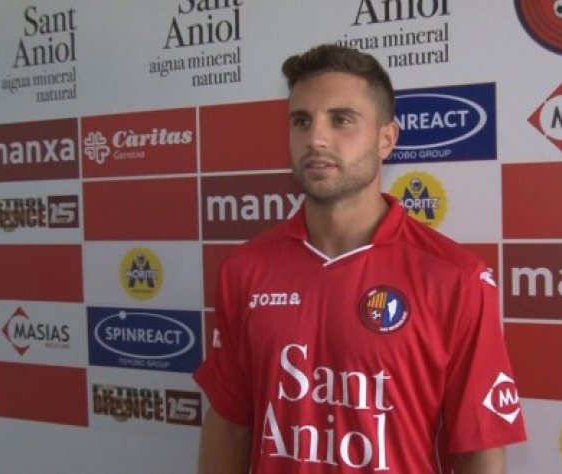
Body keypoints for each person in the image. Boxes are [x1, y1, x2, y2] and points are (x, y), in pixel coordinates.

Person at [194, 43, 526, 473]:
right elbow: (230, 425)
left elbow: (477, 449)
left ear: (386, 139)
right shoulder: (245, 270)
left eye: (341, 120)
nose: (316, 138)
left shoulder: (456, 279)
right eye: (301, 121)